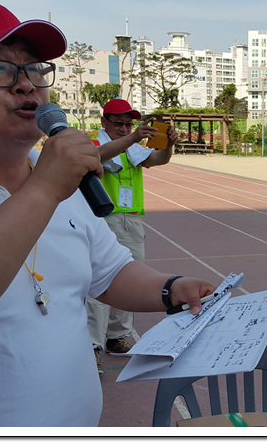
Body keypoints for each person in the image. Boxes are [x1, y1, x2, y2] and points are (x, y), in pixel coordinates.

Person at [0, 0, 215, 427]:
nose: (26, 85)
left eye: (34, 69)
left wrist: (172, 289)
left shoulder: (59, 180)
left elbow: (111, 272)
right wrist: (45, 189)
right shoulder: (42, 181)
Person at [86, 98, 178, 372]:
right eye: (118, 123)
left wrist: (168, 144)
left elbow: (159, 159)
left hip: (131, 221)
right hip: (103, 220)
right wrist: (134, 137)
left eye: (128, 124)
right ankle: (93, 346)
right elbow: (98, 156)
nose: (124, 128)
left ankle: (117, 337)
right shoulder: (94, 145)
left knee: (130, 281)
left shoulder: (134, 150)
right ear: (104, 122)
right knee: (100, 285)